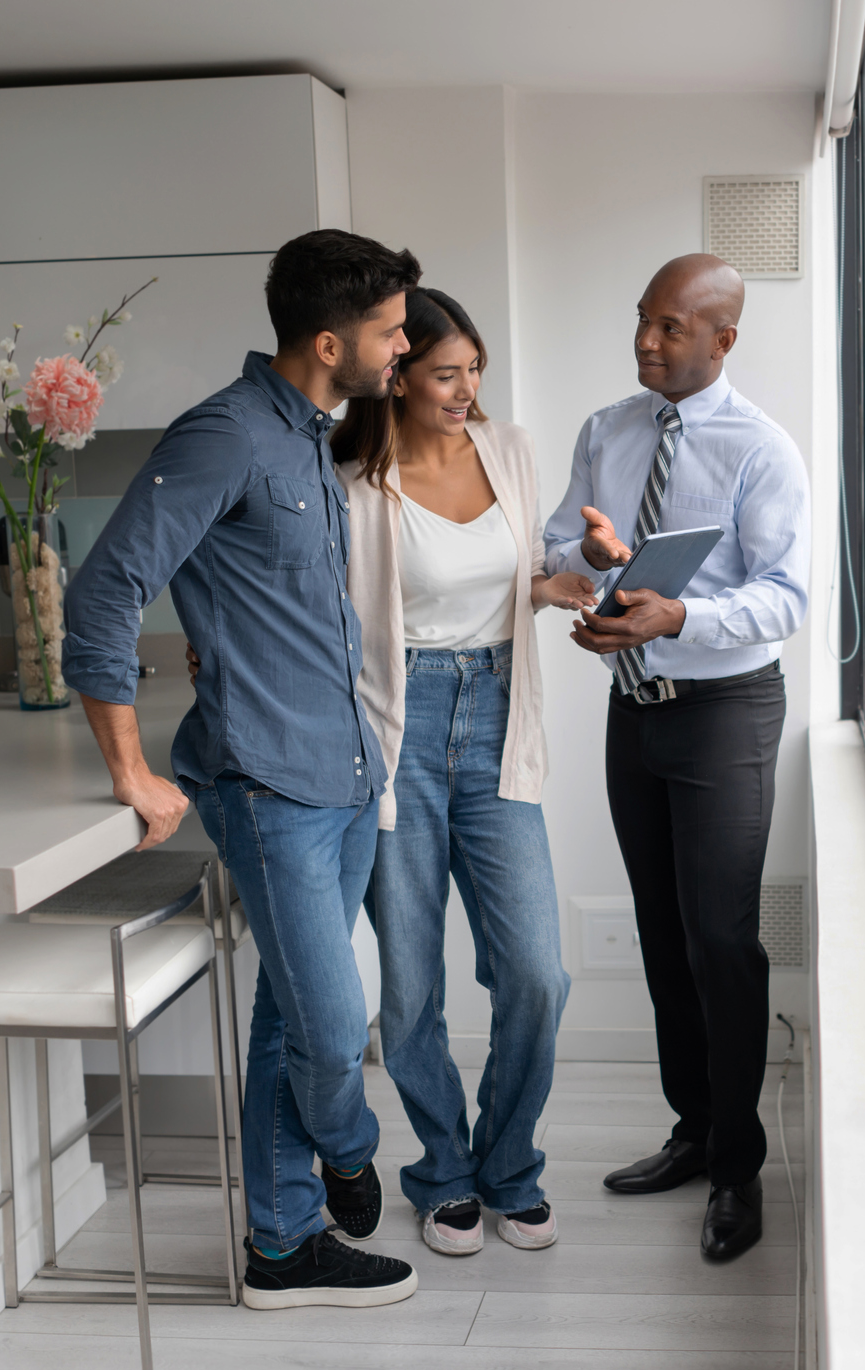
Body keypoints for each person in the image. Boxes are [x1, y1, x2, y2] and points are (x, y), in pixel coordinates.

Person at [62, 229, 422, 1311]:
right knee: (326, 1022)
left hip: (345, 771)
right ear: (327, 340)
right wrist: (129, 767)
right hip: (266, 786)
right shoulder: (222, 435)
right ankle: (347, 1151)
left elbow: (268, 599)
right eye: (391, 332)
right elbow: (105, 592)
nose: (403, 348)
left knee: (285, 1013)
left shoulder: (311, 431)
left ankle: (279, 1246)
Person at [542, 253, 811, 1261]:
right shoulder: (607, 430)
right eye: (642, 322)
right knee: (664, 937)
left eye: (668, 327)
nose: (646, 342)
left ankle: (740, 1167)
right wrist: (594, 561)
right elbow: (560, 544)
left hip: (725, 712)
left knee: (721, 943)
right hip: (633, 710)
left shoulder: (762, 449)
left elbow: (786, 596)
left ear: (721, 340)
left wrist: (682, 613)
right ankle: (693, 1130)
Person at [333, 288, 590, 1256]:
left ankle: (508, 1164)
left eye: (474, 369)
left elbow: (499, 579)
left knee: (535, 973)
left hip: (494, 721)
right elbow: (343, 613)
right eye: (447, 373)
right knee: (410, 990)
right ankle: (443, 1172)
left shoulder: (511, 452)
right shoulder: (355, 477)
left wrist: (552, 586)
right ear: (394, 377)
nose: (467, 389)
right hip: (396, 732)